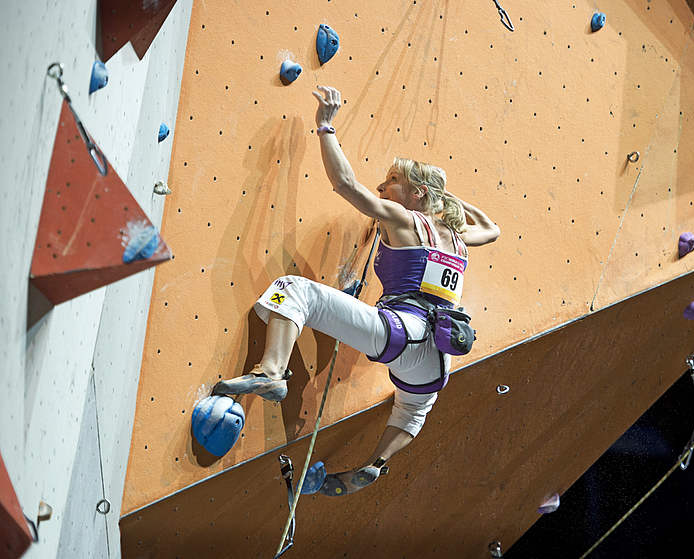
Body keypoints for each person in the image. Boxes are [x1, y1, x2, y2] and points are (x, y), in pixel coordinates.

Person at [213, 86, 501, 495]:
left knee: (293, 290)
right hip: (439, 356)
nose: (382, 188)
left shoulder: (404, 220)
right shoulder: (458, 237)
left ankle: (272, 372)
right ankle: (375, 464)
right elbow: (493, 229)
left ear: (417, 194)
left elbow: (346, 184)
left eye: (393, 181)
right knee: (413, 411)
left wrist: (325, 126)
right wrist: (446, 198)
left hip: (401, 330)